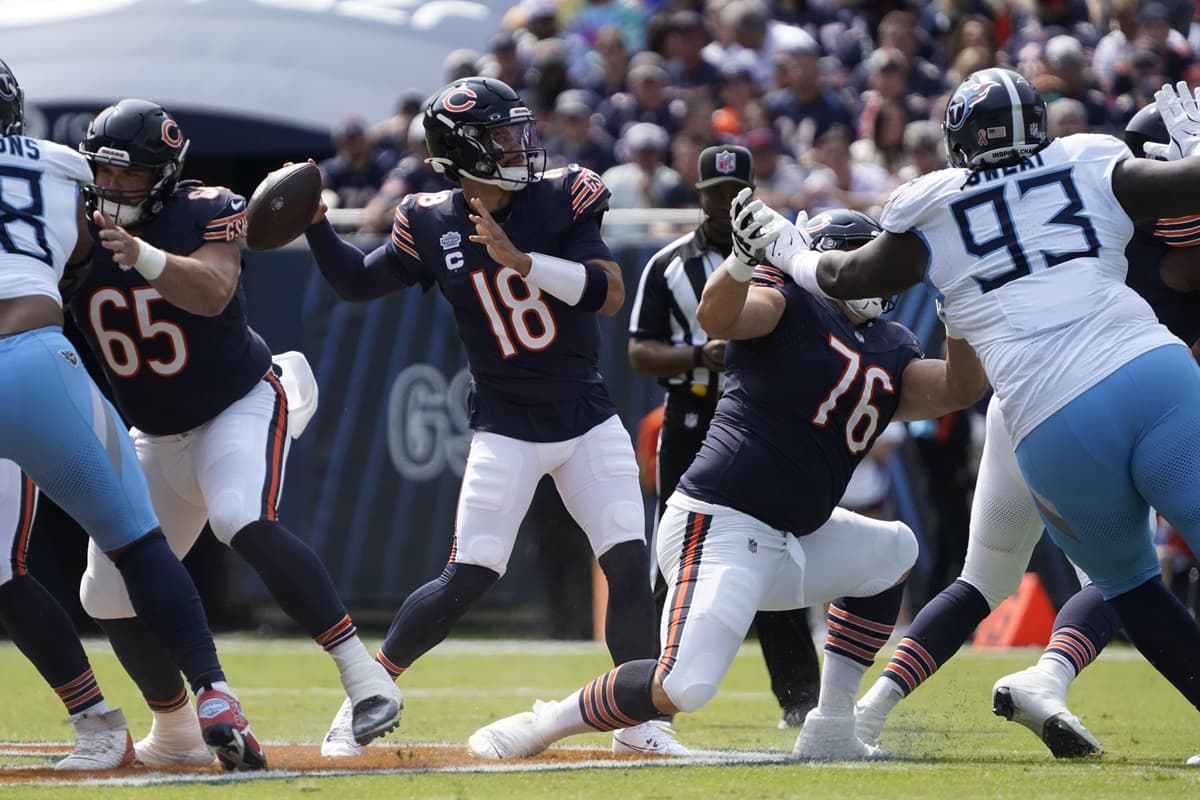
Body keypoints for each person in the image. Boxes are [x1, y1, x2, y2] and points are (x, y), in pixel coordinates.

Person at [761, 67, 1200, 762]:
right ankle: (1044, 677)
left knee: (1128, 585)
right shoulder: (1086, 157)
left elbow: (846, 276)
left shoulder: (933, 207)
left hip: (1047, 419)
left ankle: (877, 709)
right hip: (1150, 370)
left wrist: (789, 254)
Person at [466, 205, 988, 761]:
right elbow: (718, 317)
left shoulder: (892, 344)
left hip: (794, 537)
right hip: (721, 524)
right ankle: (542, 723)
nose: (881, 275)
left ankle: (834, 724)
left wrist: (960, 309)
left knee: (893, 551)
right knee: (683, 685)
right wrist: (741, 261)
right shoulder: (789, 301)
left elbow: (958, 388)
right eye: (870, 261)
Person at [301, 76, 682, 758]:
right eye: (501, 136)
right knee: (471, 573)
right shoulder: (428, 219)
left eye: (518, 130)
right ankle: (362, 696)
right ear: (461, 152)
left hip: (586, 416)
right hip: (506, 424)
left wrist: (523, 261)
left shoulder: (565, 193)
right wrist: (314, 223)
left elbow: (608, 292)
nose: (520, 145)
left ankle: (637, 725)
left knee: (628, 564)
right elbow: (356, 282)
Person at [67, 98, 399, 767]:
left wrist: (144, 256)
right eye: (104, 172)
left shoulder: (203, 209)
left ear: (163, 175)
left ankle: (366, 679)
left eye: (129, 174)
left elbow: (214, 290)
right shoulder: (74, 228)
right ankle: (177, 733)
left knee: (237, 516)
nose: (112, 186)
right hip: (155, 431)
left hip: (238, 403)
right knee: (103, 591)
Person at [0, 59, 263, 772]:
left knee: (4, 570)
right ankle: (213, 693)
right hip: (35, 358)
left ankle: (94, 722)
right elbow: (83, 253)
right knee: (136, 543)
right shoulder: (60, 166)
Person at [627, 143, 820, 728]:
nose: (725, 204)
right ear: (699, 195)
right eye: (716, 194)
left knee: (776, 548)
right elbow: (639, 350)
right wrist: (698, 355)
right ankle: (649, 697)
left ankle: (802, 701)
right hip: (693, 412)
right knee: (672, 554)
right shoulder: (668, 264)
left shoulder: (784, 256)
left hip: (762, 418)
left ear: (752, 193)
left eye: (736, 193)